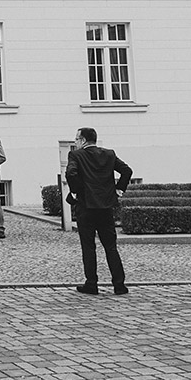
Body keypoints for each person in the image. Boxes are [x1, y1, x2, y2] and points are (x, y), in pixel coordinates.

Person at [66, 126, 131, 295]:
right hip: (105, 206)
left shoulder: (76, 155)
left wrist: (76, 192)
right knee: (110, 246)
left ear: (83, 140)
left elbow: (71, 174)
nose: (75, 142)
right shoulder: (109, 154)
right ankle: (119, 284)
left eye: (76, 139)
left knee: (88, 247)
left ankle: (91, 283)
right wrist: (118, 189)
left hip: (86, 206)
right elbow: (126, 170)